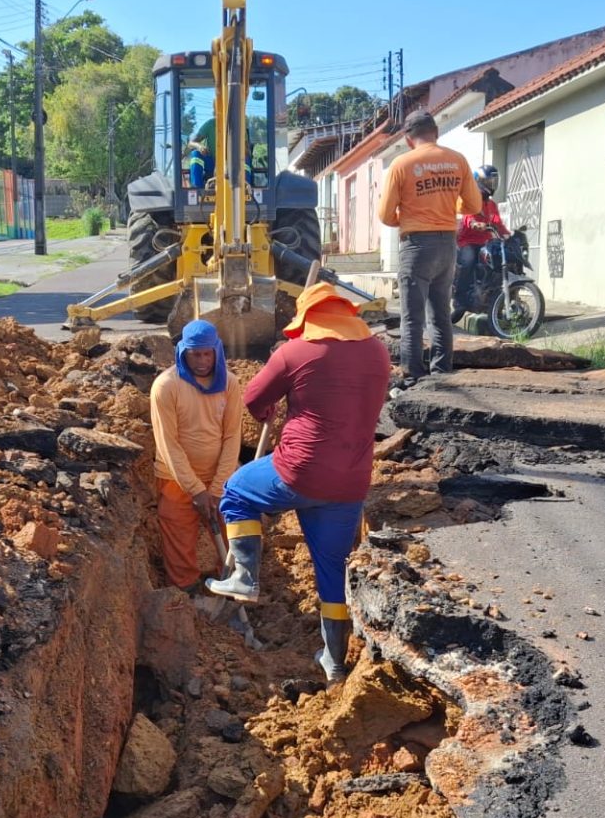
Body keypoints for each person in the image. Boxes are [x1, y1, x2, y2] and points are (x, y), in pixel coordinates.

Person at [206, 282, 390, 683]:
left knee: (236, 492)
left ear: (308, 319)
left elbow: (254, 399)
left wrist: (273, 404)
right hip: (351, 481)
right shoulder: (377, 351)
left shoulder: (295, 352)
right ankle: (335, 661)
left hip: (299, 470)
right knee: (331, 570)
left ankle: (246, 577)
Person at [377, 111, 482, 395]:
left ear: (409, 139)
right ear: (436, 132)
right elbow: (473, 205)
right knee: (440, 313)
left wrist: (410, 218)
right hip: (448, 243)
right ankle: (442, 371)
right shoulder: (457, 160)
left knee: (412, 316)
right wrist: (447, 209)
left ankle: (413, 376)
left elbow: (385, 214)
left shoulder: (402, 164)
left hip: (416, 245)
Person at [149, 319, 243, 591]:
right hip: (175, 480)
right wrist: (195, 490)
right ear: (182, 352)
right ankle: (185, 595)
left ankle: (234, 588)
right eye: (194, 354)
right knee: (178, 537)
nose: (201, 360)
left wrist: (215, 489)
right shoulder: (166, 386)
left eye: (206, 353)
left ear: (216, 351)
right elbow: (168, 444)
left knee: (235, 536)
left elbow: (231, 436)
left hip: (221, 478)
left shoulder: (230, 384)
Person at [453, 165, 510, 317]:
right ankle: (460, 302)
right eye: (488, 181)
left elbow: (498, 223)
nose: (492, 185)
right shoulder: (470, 199)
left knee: (497, 261)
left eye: (493, 181)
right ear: (478, 181)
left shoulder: (491, 204)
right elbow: (468, 217)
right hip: (468, 241)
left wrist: (508, 235)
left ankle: (491, 298)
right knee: (468, 261)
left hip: (486, 242)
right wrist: (475, 224)